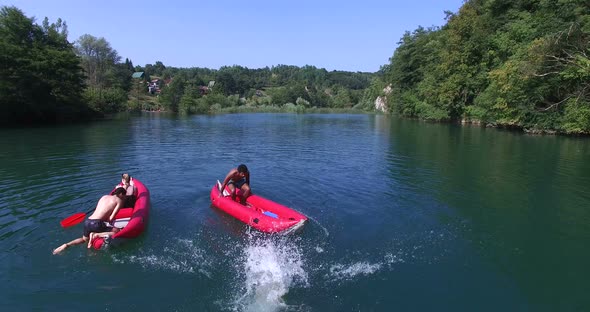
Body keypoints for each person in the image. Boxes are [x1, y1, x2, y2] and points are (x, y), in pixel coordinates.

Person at [52, 187, 126, 255]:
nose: (124, 198)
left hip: (88, 221)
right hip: (97, 223)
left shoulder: (104, 197)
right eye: (124, 196)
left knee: (84, 239)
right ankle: (95, 235)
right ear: (120, 194)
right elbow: (111, 218)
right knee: (117, 231)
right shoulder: (119, 201)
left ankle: (67, 244)